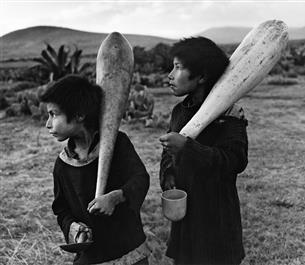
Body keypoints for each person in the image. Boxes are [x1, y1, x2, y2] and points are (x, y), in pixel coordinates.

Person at [40, 74, 151, 265]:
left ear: (80, 114)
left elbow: (140, 178)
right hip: (92, 256)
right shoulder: (63, 165)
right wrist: (75, 230)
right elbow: (62, 210)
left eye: (53, 114)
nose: (48, 124)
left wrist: (115, 197)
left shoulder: (117, 144)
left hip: (129, 250)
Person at [159, 37, 248, 265]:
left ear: (202, 76)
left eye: (178, 67)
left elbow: (235, 160)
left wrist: (187, 148)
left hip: (217, 220)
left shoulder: (229, 113)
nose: (170, 75)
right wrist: (168, 176)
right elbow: (168, 155)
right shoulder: (179, 111)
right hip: (187, 217)